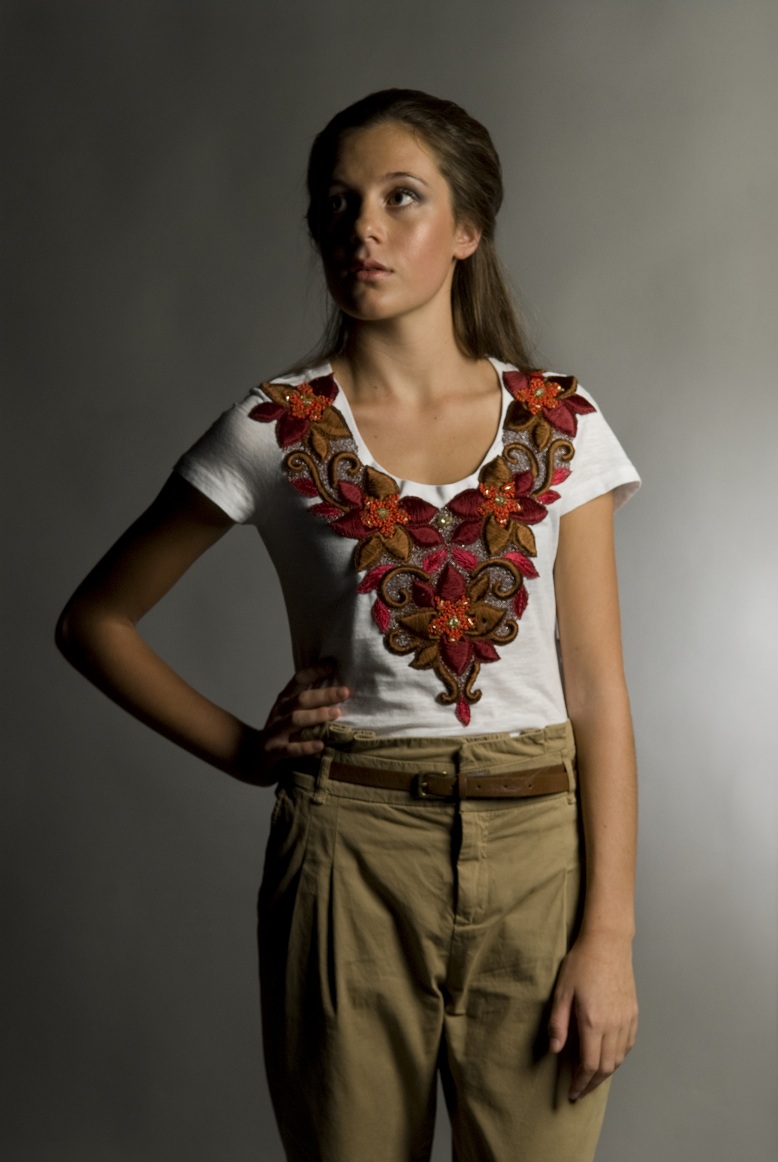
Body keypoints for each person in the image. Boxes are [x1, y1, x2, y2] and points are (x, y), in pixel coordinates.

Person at [56, 88, 640, 1162]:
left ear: (466, 229)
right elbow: (95, 620)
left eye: (399, 197)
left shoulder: (560, 423)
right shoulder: (275, 428)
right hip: (348, 851)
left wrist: (608, 935)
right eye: (337, 204)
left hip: (538, 855)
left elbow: (597, 690)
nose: (361, 227)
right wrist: (246, 751)